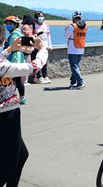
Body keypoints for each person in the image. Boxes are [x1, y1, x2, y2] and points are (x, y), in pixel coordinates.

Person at [1, 22, 35, 187]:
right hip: (6, 115)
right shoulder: (2, 66)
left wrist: (9, 50)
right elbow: (31, 67)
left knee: (21, 155)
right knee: (7, 166)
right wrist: (40, 49)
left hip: (8, 112)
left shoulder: (2, 56)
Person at [4, 16, 26, 105]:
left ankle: (20, 97)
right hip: (16, 56)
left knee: (15, 78)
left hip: (15, 57)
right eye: (7, 24)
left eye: (10, 24)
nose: (8, 25)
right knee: (16, 79)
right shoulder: (15, 33)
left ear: (15, 25)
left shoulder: (15, 34)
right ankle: (20, 97)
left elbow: (13, 47)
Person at [65, 11, 87, 89]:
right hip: (81, 47)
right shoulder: (85, 26)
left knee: (74, 66)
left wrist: (66, 30)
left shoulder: (72, 26)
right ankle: (73, 82)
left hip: (73, 48)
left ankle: (80, 82)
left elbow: (66, 36)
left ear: (73, 18)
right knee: (76, 66)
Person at [33, 11, 52, 84]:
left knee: (44, 62)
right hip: (37, 47)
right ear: (36, 18)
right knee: (38, 62)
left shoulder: (46, 25)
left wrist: (50, 45)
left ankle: (45, 76)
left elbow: (48, 36)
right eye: (39, 16)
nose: (41, 18)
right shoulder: (34, 25)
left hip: (45, 46)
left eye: (42, 16)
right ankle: (39, 77)